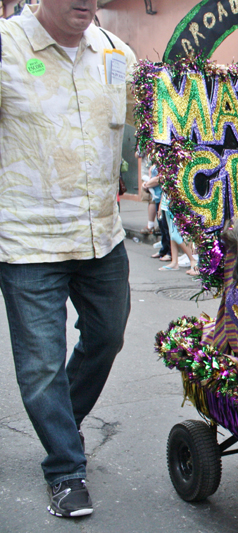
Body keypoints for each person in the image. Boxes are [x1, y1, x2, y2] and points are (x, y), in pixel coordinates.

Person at [0, 0, 135, 518]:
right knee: (40, 366)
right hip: (27, 239)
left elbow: (155, 115)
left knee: (107, 335)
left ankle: (62, 420)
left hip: (101, 233)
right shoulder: (9, 47)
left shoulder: (114, 51)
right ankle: (64, 468)